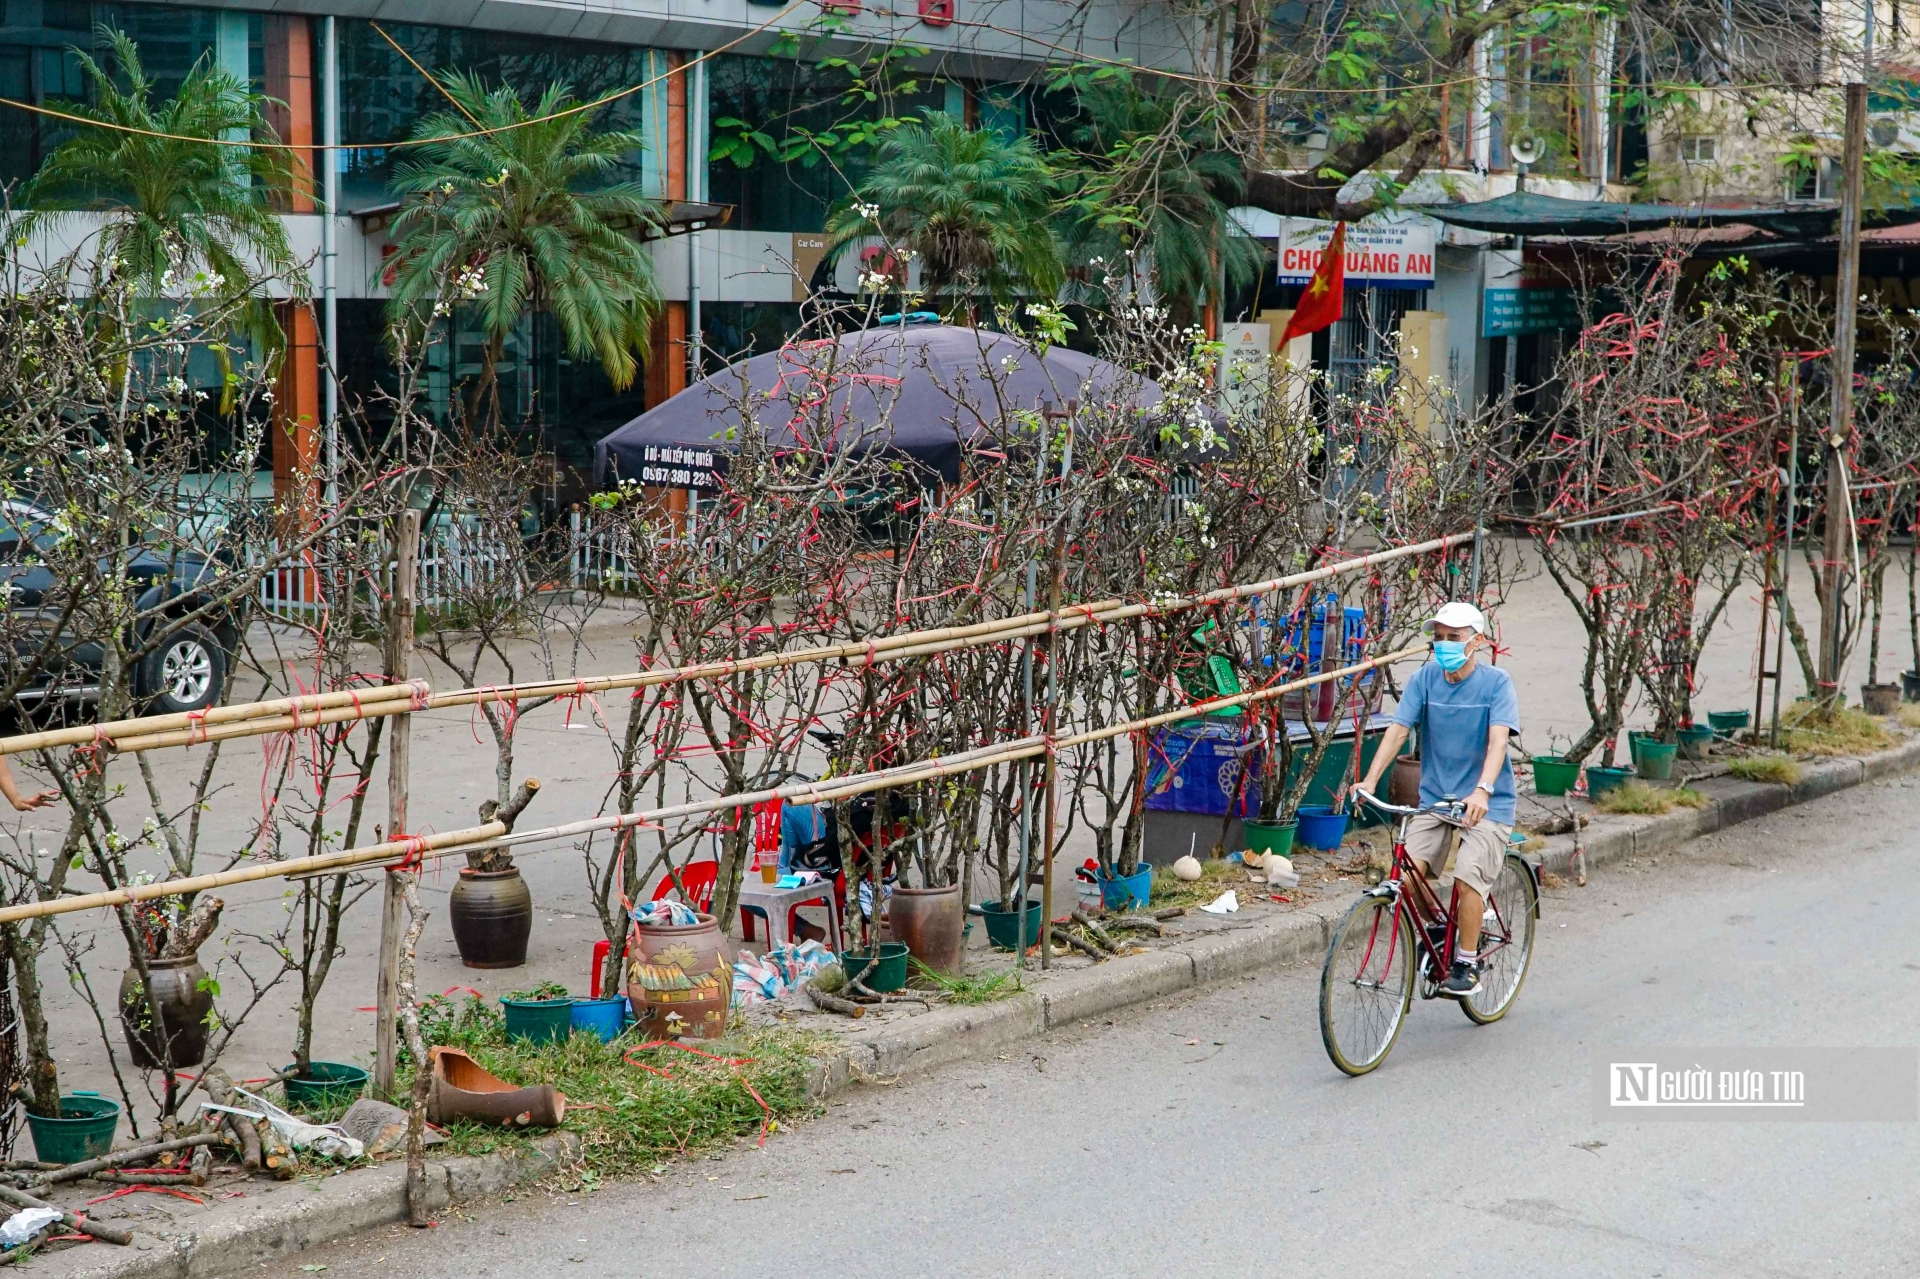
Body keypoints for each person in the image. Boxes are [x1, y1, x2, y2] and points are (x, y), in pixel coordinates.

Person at [1356, 601, 1518, 998]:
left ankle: (1465, 961)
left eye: (1454, 638)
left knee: (1467, 881)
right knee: (1405, 879)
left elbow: (1498, 741)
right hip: (1434, 800)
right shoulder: (1425, 679)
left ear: (1476, 642)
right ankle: (1437, 926)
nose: (1444, 645)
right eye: (1439, 638)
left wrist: (1483, 789)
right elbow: (1397, 730)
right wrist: (1369, 779)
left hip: (1486, 803)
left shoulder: (1497, 684)